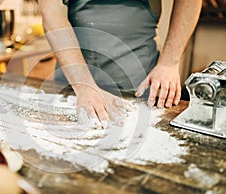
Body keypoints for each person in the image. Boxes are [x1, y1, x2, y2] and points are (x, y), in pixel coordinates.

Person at [38, 0, 202, 126]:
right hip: (73, 87)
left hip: (141, 87)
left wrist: (169, 63)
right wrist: (83, 85)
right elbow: (52, 14)